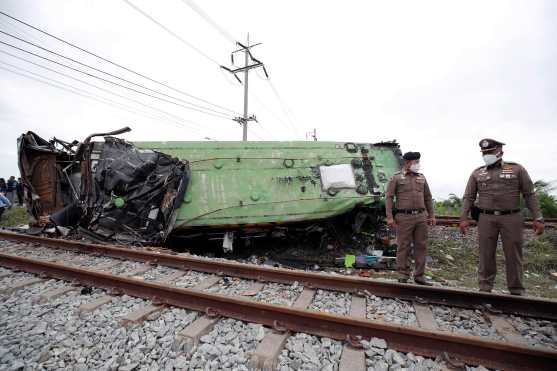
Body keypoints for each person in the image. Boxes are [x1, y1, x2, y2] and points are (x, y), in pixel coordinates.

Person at [459, 138, 544, 296]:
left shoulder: (516, 169)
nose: (487, 155)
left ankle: (516, 289)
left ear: (500, 151)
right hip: (486, 218)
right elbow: (468, 197)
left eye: (490, 152)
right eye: (484, 153)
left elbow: (529, 195)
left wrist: (538, 218)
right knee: (485, 254)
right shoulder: (477, 173)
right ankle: (484, 288)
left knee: (513, 253)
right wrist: (463, 218)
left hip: (511, 217)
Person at [385, 151, 436, 285]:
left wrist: (431, 215)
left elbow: (428, 197)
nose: (418, 165)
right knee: (404, 246)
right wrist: (390, 217)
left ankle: (419, 276)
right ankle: (403, 275)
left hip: (421, 217)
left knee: (421, 246)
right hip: (404, 217)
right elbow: (389, 197)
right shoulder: (396, 178)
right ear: (407, 163)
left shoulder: (422, 177)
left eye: (418, 162)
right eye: (416, 162)